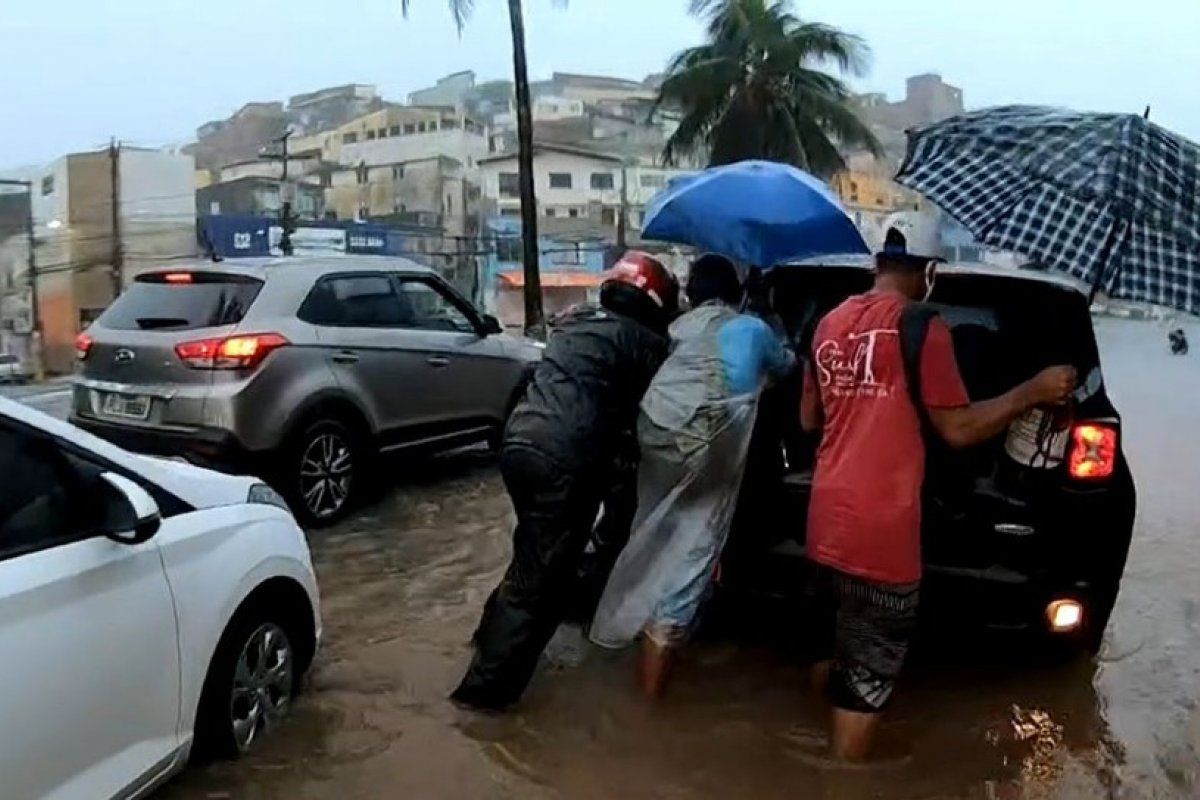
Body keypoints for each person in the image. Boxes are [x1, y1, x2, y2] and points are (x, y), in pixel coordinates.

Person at [798, 228, 1077, 762]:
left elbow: (808, 418)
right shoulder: (924, 326)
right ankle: (838, 781)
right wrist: (1033, 391)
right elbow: (960, 429)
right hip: (883, 538)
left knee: (824, 649)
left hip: (823, 523)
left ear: (878, 262)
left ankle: (812, 748)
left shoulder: (829, 323)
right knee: (865, 681)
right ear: (928, 273)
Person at [451, 251, 680, 712]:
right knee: (541, 581)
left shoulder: (576, 324)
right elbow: (653, 415)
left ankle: (486, 638)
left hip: (520, 443)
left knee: (533, 553)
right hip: (566, 456)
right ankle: (482, 699)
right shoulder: (645, 344)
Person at [590, 253, 795, 698]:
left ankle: (635, 645)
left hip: (656, 438)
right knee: (690, 559)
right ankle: (650, 704)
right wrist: (770, 319)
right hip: (707, 453)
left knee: (656, 538)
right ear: (737, 293)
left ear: (692, 294)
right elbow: (787, 368)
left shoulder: (678, 328)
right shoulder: (754, 329)